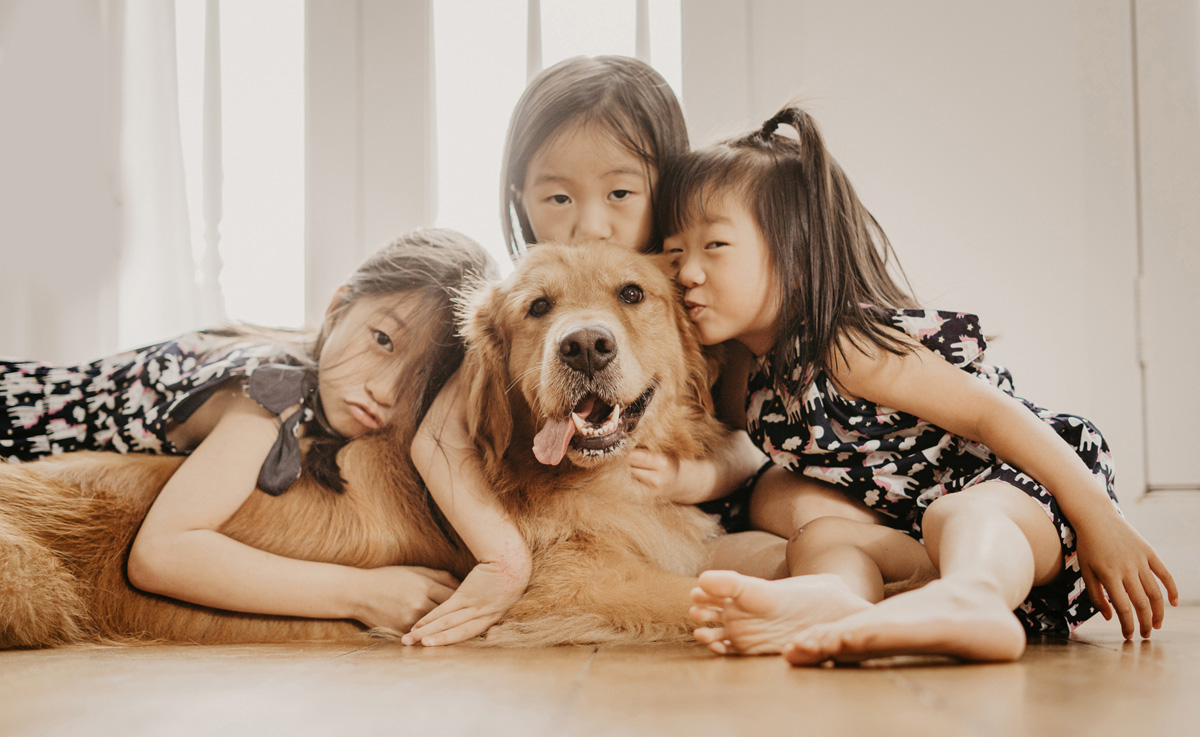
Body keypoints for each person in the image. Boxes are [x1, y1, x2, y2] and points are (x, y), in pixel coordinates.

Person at [656, 104, 1177, 664]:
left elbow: (991, 415)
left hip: (1028, 499)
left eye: (715, 246)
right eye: (673, 251)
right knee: (822, 538)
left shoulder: (844, 342)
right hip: (924, 547)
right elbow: (744, 461)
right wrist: (692, 476)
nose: (687, 271)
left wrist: (1099, 519)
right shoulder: (754, 383)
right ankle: (839, 601)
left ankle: (971, 597)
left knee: (959, 514)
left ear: (796, 255)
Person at [408, 54, 785, 646]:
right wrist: (504, 562)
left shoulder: (700, 291)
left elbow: (751, 435)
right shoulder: (502, 311)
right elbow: (439, 438)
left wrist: (698, 477)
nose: (590, 225)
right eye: (558, 198)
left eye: (619, 193)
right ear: (521, 198)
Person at [1, 228, 497, 633]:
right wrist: (363, 594)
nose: (386, 391)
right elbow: (161, 553)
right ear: (338, 308)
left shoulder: (309, 374)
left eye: (420, 383)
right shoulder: (270, 394)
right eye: (383, 340)